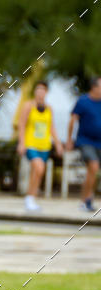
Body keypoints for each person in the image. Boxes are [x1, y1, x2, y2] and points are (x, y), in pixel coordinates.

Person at [17, 80, 63, 213]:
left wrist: (58, 143)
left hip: (45, 146)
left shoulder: (49, 108)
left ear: (46, 92)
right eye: (38, 89)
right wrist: (21, 143)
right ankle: (30, 197)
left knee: (38, 172)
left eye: (43, 89)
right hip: (31, 144)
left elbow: (51, 127)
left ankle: (31, 197)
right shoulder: (28, 106)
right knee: (39, 167)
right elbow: (21, 125)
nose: (40, 92)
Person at [66, 75, 101, 212]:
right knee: (93, 165)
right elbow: (72, 120)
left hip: (100, 142)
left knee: (94, 171)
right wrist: (69, 140)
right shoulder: (83, 101)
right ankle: (85, 200)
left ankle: (88, 197)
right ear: (94, 87)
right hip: (85, 140)